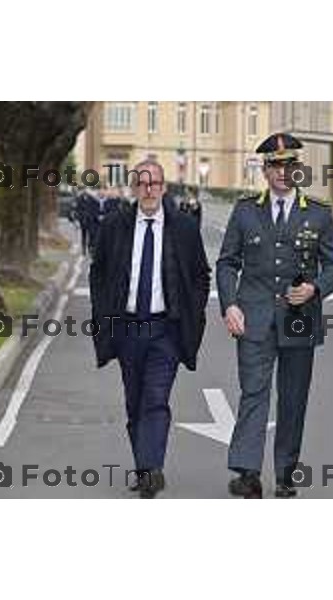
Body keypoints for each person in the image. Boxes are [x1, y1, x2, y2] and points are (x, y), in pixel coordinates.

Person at [216, 133, 333, 499]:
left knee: (293, 398)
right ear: (264, 170)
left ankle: (287, 475)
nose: (282, 173)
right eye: (275, 166)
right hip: (253, 315)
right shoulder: (245, 211)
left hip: (299, 318)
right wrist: (229, 304)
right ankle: (248, 473)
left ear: (298, 169)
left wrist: (315, 288)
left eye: (289, 165)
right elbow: (227, 263)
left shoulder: (318, 214)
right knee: (253, 394)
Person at [89, 159, 210, 498]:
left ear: (163, 187)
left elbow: (201, 275)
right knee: (135, 403)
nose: (148, 189)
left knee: (156, 399)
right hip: (126, 328)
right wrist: (102, 314)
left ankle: (152, 469)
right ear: (133, 188)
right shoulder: (115, 225)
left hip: (165, 330)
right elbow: (98, 274)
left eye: (154, 183)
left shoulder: (184, 228)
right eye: (141, 183)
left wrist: (192, 310)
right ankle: (144, 467)